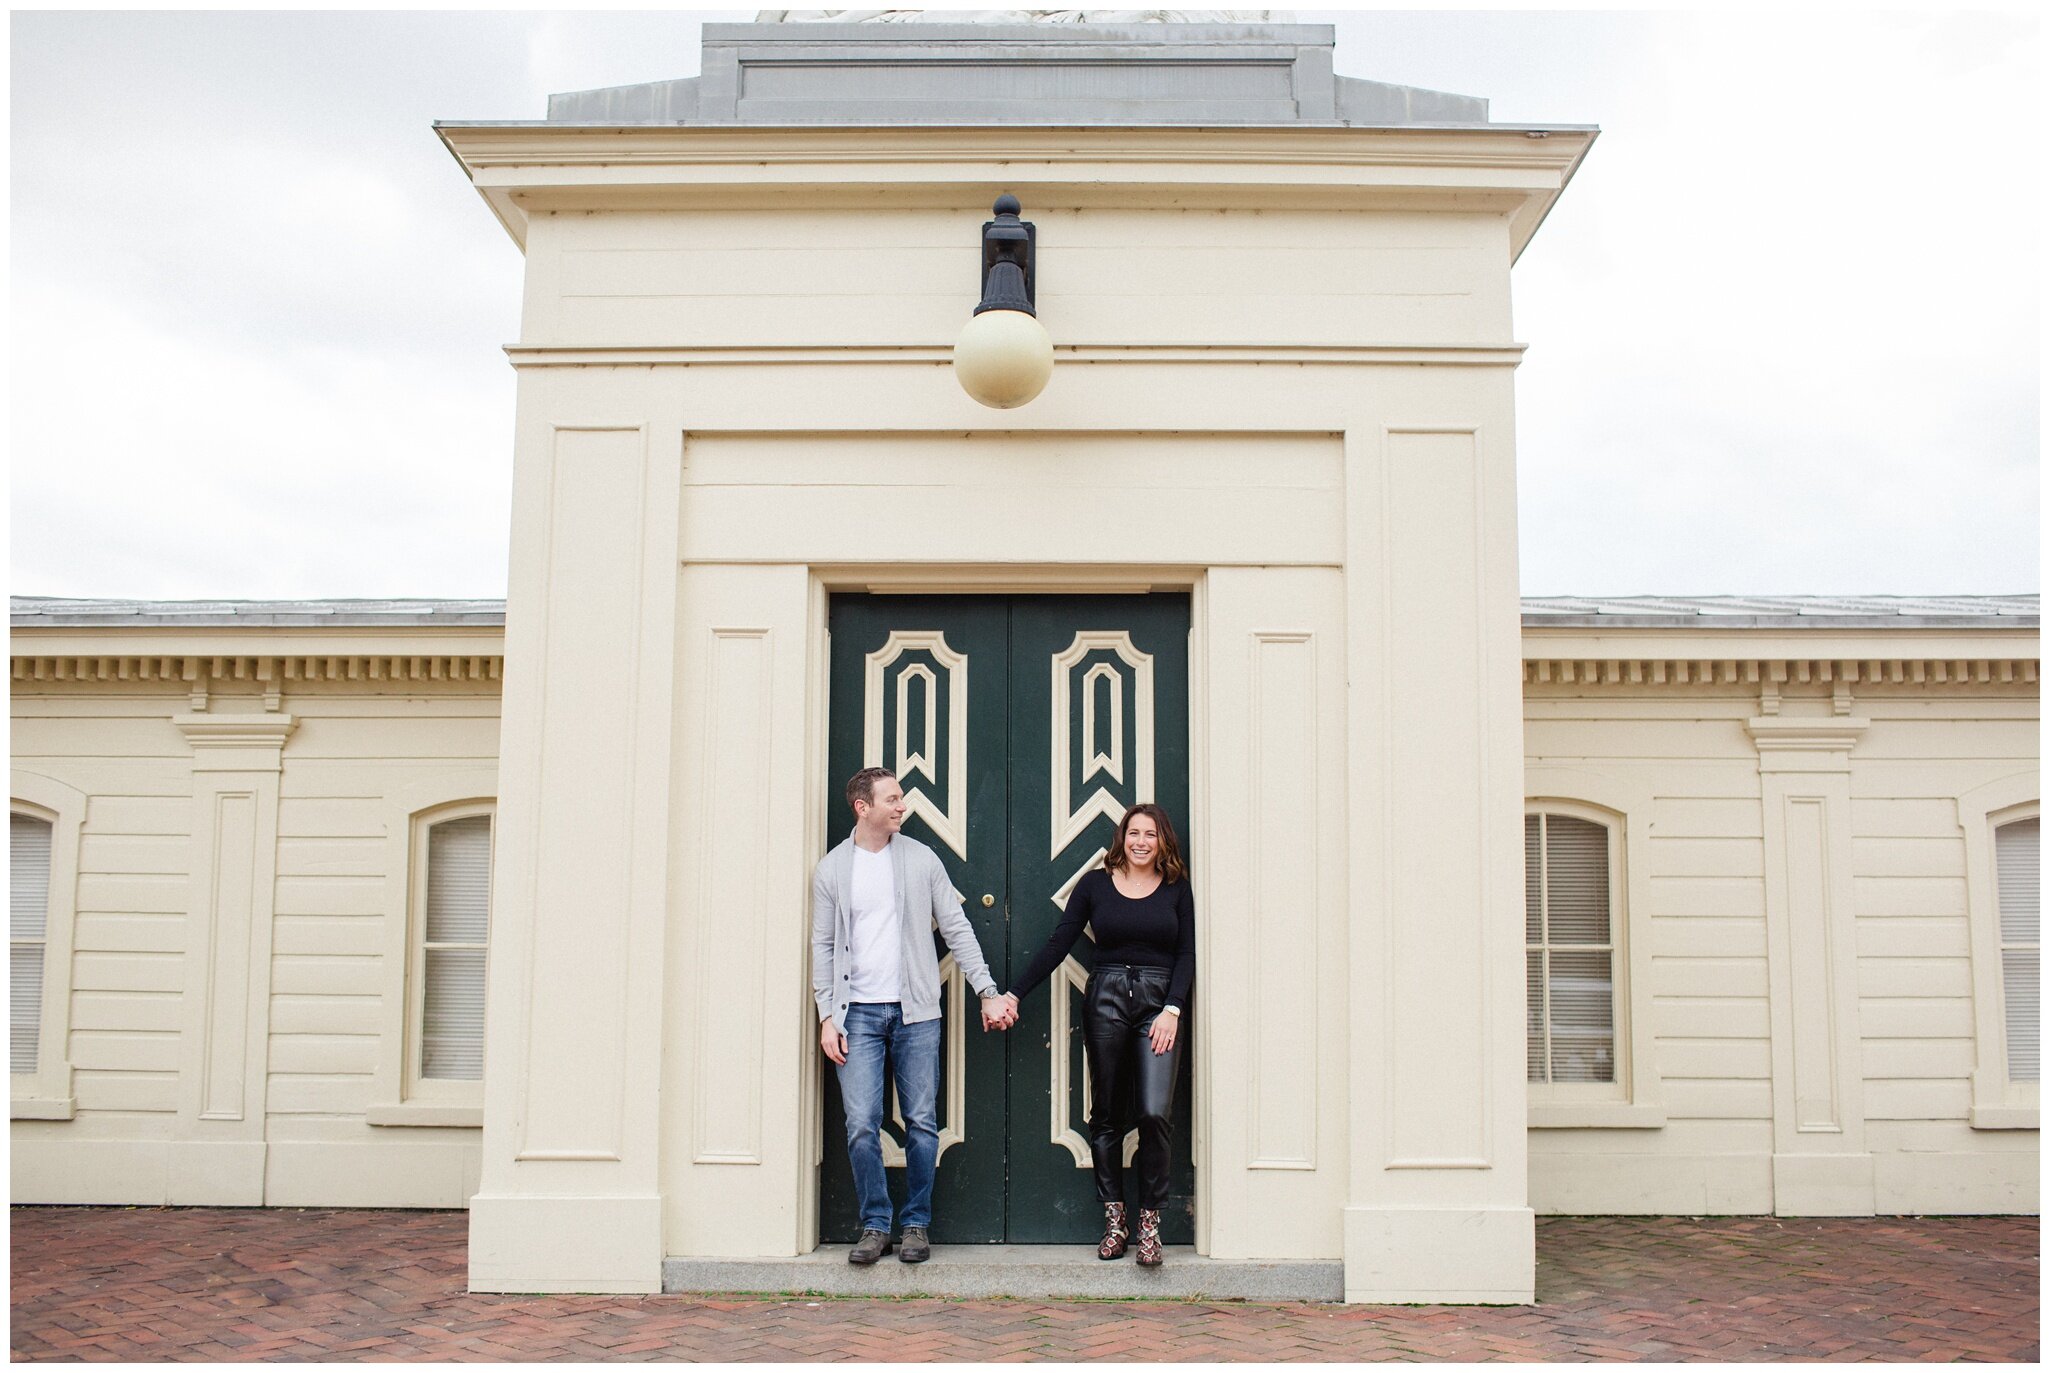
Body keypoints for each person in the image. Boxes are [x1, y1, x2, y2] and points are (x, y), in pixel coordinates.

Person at [812, 766, 1017, 1265]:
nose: (902, 806)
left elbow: (957, 927)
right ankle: (875, 1224)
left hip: (917, 1013)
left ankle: (916, 1224)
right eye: (893, 799)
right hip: (854, 1013)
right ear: (864, 807)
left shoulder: (921, 860)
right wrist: (826, 1014)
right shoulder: (833, 870)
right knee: (861, 1122)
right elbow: (822, 943)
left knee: (921, 1121)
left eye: (901, 798)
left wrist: (987, 990)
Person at [992, 802, 1193, 1267]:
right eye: (1133, 833)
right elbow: (1060, 942)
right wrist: (1015, 993)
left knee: (1152, 1112)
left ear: (1163, 842)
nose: (1141, 842)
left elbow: (1187, 953)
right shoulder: (1095, 884)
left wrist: (1173, 1009)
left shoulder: (1176, 889)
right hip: (1104, 998)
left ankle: (1149, 1224)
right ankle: (1115, 1221)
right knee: (1105, 1112)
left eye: (1150, 835)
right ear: (1121, 837)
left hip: (1158, 1005)